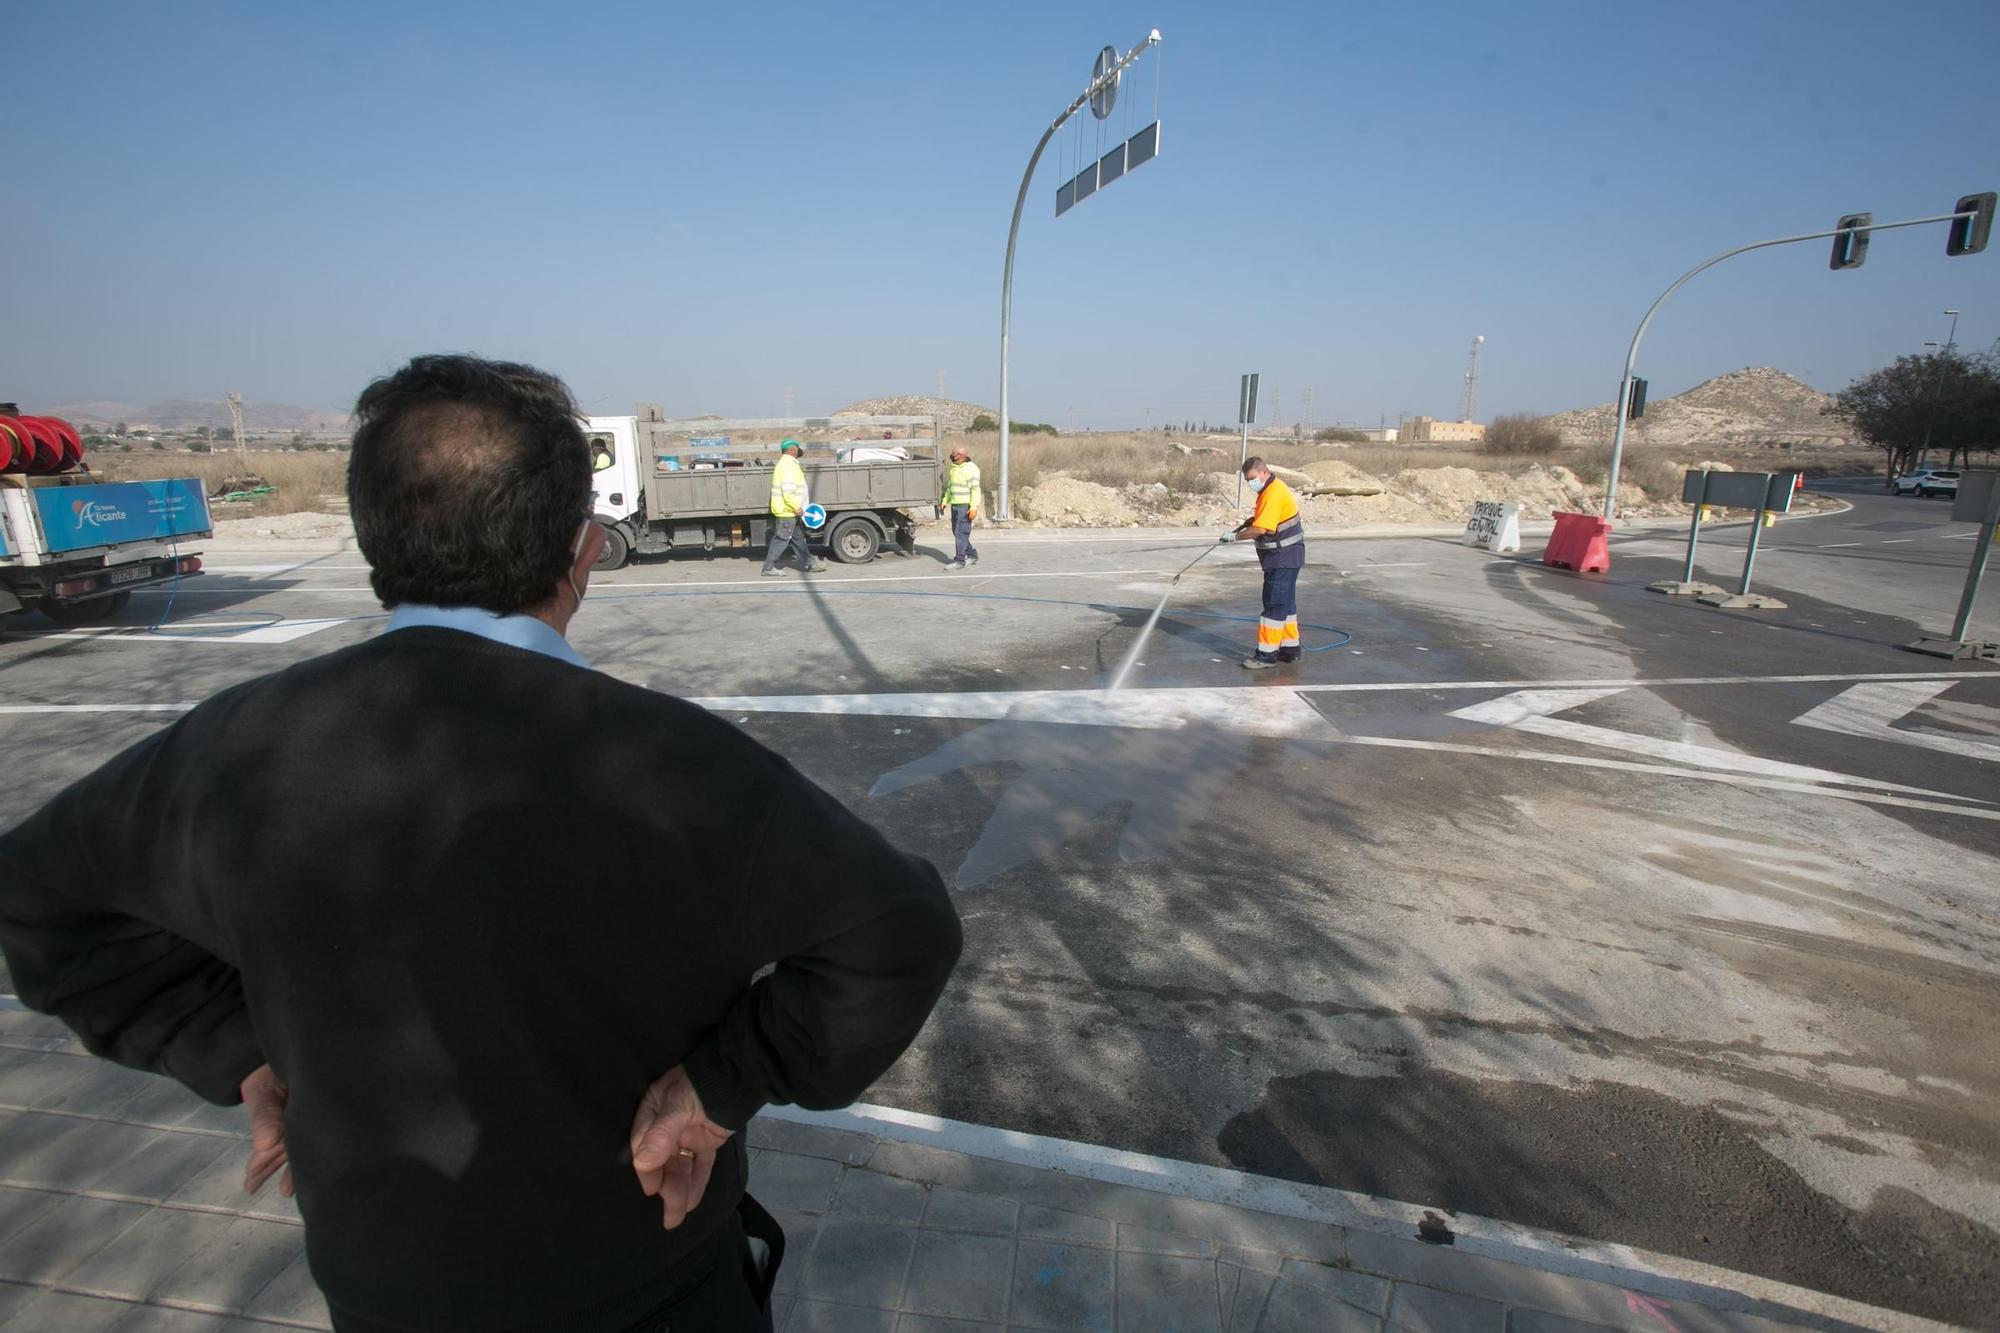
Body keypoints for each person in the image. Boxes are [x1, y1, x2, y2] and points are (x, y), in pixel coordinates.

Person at [0, 354, 963, 1332]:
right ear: (582, 549)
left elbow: (36, 899)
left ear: (370, 535)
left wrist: (235, 1049)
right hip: (649, 1281)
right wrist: (717, 1088)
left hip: (387, 1290)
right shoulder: (671, 764)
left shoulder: (229, 753)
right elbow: (899, 931)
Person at [1220, 456, 1305, 669]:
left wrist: (1234, 537)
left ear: (1264, 472)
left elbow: (1261, 530)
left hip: (1282, 558)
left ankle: (1266, 656)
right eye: (1248, 480)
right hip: (1286, 557)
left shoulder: (1273, 492)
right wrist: (1254, 519)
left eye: (1253, 478)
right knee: (1286, 604)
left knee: (1275, 605)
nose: (1251, 483)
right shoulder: (1269, 488)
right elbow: (1267, 520)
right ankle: (1290, 649)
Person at [762, 438, 824, 577]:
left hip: (791, 511)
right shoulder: (787, 465)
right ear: (791, 449)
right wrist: (796, 507)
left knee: (798, 539)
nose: (798, 450)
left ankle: (810, 563)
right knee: (782, 539)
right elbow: (788, 489)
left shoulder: (789, 464)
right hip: (787, 511)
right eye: (796, 448)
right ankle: (768, 568)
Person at [940, 445, 981, 570]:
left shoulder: (971, 469)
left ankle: (960, 560)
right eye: (952, 453)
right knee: (957, 532)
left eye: (955, 454)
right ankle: (972, 555)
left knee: (961, 533)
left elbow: (975, 489)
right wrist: (944, 501)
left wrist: (973, 507)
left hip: (965, 506)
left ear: (962, 456)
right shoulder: (954, 468)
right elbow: (950, 487)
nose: (952, 455)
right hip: (955, 505)